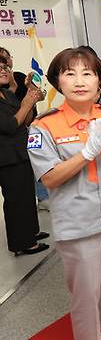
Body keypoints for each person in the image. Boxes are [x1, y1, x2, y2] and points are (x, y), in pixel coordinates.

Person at [27, 48, 101, 340]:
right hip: (78, 218)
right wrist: (87, 152)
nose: (79, 81)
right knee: (84, 288)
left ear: (99, 82)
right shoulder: (44, 125)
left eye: (87, 73)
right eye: (70, 73)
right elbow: (50, 178)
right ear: (58, 80)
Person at [0, 55, 49, 256]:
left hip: (20, 151)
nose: (4, 70)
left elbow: (25, 119)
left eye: (4, 66)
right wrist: (27, 102)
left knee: (27, 197)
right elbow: (10, 126)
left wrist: (30, 95)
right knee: (15, 200)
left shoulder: (7, 94)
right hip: (6, 157)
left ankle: (30, 233)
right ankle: (23, 243)